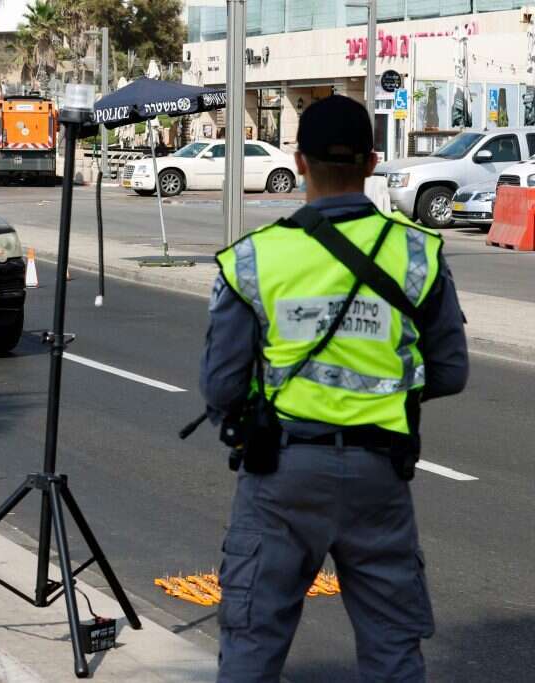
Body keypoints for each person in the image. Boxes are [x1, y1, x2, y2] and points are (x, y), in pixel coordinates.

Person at [200, 95, 468, 682]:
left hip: (280, 478)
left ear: (299, 162)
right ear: (372, 163)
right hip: (381, 477)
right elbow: (450, 371)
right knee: (393, 650)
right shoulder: (417, 253)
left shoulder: (256, 259)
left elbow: (219, 387)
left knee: (251, 643)